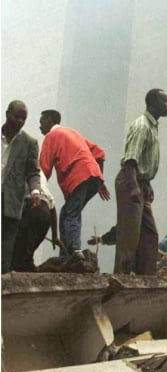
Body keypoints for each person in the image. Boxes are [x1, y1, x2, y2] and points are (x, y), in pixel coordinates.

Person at [39, 109, 110, 257]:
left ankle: (75, 251)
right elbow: (100, 152)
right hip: (94, 177)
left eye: (42, 122)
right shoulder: (73, 132)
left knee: (71, 213)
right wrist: (101, 180)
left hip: (78, 177)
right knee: (66, 213)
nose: (40, 126)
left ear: (50, 120)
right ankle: (65, 254)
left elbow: (43, 170)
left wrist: (36, 192)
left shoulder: (51, 136)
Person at [115, 89, 167, 275]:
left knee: (150, 234)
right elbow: (131, 160)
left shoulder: (153, 126)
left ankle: (146, 277)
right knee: (129, 236)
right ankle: (122, 277)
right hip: (131, 181)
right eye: (165, 101)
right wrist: (134, 187)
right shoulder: (142, 126)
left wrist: (146, 185)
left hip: (141, 182)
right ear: (153, 103)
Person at [2, 100, 41, 273]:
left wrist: (35, 191)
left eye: (24, 119)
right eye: (17, 117)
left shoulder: (29, 143)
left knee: (5, 246)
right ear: (7, 113)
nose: (20, 121)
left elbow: (33, 172)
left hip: (12, 201)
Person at [11, 171, 59, 271]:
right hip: (46, 215)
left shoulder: (19, 169)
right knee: (27, 254)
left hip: (32, 208)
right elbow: (52, 207)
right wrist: (55, 236)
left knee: (18, 255)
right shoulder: (40, 174)